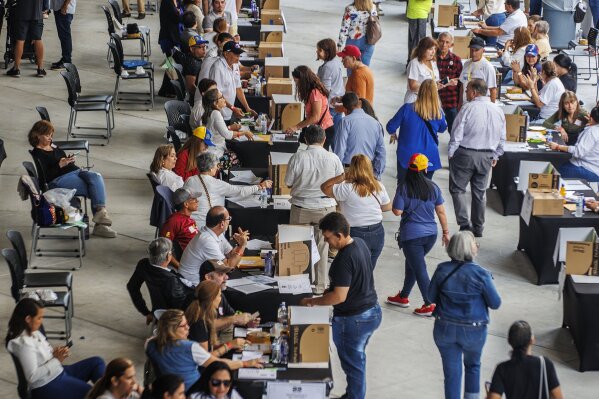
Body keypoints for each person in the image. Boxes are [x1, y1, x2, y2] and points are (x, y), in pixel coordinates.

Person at [300, 212, 381, 399]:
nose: (327, 243)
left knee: (354, 365)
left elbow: (339, 296)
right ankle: (352, 394)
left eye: (328, 238)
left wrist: (312, 301)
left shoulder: (344, 259)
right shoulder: (359, 243)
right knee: (356, 360)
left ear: (339, 235)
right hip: (372, 311)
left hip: (354, 318)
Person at [428, 231, 501, 399]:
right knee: (473, 366)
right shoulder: (482, 274)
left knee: (452, 373)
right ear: (470, 249)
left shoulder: (441, 270)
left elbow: (430, 297)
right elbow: (495, 303)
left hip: (444, 327)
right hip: (473, 330)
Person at [28, 120, 117, 238]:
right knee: (94, 187)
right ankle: (100, 221)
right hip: (58, 180)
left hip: (75, 172)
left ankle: (101, 215)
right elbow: (45, 177)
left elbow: (61, 157)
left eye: (51, 134)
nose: (50, 138)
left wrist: (68, 160)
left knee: (96, 177)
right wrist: (60, 165)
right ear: (37, 135)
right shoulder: (38, 153)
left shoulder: (52, 145)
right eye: (47, 135)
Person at [386, 153, 450, 316]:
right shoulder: (433, 187)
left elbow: (397, 211)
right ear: (425, 169)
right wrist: (446, 232)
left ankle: (430, 303)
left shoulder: (404, 187)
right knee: (413, 265)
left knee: (419, 268)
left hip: (412, 236)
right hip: (431, 235)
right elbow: (441, 211)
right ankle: (403, 297)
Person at [6, 298, 106, 399]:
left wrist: (55, 353)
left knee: (97, 362)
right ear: (28, 319)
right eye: (39, 318)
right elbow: (32, 377)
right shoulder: (23, 344)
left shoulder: (32, 331)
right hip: (46, 385)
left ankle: (111, 394)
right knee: (91, 393)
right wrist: (56, 360)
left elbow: (41, 357)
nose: (41, 321)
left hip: (59, 372)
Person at [285, 125, 344, 294]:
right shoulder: (333, 158)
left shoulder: (298, 157)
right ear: (324, 139)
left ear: (305, 140)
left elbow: (288, 182)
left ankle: (294, 286)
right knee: (323, 247)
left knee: (295, 245)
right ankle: (320, 286)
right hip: (325, 209)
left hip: (301, 207)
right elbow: (339, 182)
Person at [145, 309, 262, 391]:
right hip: (194, 390)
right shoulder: (190, 347)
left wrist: (229, 345)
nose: (188, 327)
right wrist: (247, 363)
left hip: (167, 390)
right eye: (184, 326)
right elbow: (217, 364)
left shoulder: (150, 344)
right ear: (172, 329)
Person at [448, 79, 506, 238]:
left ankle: (464, 224)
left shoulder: (468, 108)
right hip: (486, 156)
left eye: (467, 90)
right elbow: (502, 138)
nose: (465, 93)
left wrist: (452, 153)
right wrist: (495, 155)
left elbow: (457, 133)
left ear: (474, 91)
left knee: (458, 189)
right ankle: (479, 228)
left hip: (465, 154)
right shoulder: (498, 110)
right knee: (479, 193)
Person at [321, 154, 391, 267]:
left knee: (351, 271)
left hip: (355, 233)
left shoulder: (346, 189)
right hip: (377, 232)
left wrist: (342, 177)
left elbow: (324, 187)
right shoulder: (378, 186)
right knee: (367, 273)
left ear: (351, 168)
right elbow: (387, 207)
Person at [183, 152, 271, 227]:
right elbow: (240, 192)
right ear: (210, 168)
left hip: (190, 223)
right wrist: (260, 186)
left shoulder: (189, 180)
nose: (218, 168)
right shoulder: (215, 183)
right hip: (207, 225)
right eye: (217, 165)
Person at [386, 79, 447, 184]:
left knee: (403, 188)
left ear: (420, 91)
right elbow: (442, 128)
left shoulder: (407, 109)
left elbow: (390, 126)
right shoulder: (438, 113)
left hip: (407, 157)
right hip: (429, 157)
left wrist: (393, 134)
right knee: (425, 189)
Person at [487, 321, 564, 399]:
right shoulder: (544, 364)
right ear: (532, 340)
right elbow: (558, 397)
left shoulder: (502, 369)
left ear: (509, 341)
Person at [127, 238, 195, 325]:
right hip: (172, 322)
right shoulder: (171, 280)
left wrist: (146, 312)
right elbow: (181, 307)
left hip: (158, 312)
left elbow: (132, 287)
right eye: (171, 252)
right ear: (168, 256)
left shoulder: (143, 265)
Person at [178, 206, 250, 286]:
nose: (229, 221)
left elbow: (230, 255)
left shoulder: (215, 233)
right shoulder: (207, 241)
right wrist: (242, 246)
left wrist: (239, 244)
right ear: (222, 224)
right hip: (192, 287)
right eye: (228, 219)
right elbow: (228, 267)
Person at [333, 92, 386, 178]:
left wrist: (338, 173)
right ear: (359, 104)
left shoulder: (345, 121)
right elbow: (381, 152)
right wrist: (376, 174)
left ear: (345, 110)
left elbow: (340, 149)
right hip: (368, 170)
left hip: (349, 170)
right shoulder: (376, 123)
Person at [185, 280, 246, 354]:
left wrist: (233, 345)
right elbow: (204, 359)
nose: (221, 299)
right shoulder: (199, 322)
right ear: (212, 299)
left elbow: (210, 348)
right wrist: (230, 345)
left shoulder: (206, 313)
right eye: (219, 296)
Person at [199, 259, 257, 334]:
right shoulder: (197, 298)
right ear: (208, 277)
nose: (226, 277)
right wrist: (234, 319)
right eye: (221, 274)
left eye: (226, 274)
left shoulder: (220, 295)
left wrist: (246, 322)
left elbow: (232, 315)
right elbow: (205, 325)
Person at [285, 66, 334, 150]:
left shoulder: (315, 92)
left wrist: (297, 127)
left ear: (303, 80)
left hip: (324, 129)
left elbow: (315, 116)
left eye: (297, 81)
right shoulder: (312, 91)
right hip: (320, 129)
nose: (296, 84)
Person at [208, 41, 257, 121]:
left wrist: (247, 108)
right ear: (226, 54)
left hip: (228, 112)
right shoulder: (217, 68)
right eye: (235, 54)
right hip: (218, 114)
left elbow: (238, 88)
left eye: (239, 54)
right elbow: (216, 94)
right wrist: (233, 108)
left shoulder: (235, 65)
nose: (238, 57)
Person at [548, 106, 599, 182]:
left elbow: (578, 152)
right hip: (594, 167)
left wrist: (558, 147)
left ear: (591, 118)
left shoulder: (591, 131)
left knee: (551, 171)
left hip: (588, 168)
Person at [160, 187, 201, 260]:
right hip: (188, 262)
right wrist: (179, 266)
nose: (197, 201)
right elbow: (164, 249)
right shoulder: (173, 221)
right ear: (186, 204)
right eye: (194, 199)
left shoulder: (190, 220)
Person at [337, 0, 378, 67]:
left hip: (353, 42)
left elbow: (344, 28)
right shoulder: (373, 7)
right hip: (369, 40)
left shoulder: (349, 8)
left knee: (351, 66)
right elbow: (375, 23)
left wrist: (340, 44)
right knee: (364, 68)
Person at [458, 37, 497, 104]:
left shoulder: (488, 67)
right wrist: (460, 103)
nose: (473, 53)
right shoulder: (466, 63)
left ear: (483, 50)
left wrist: (491, 107)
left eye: (476, 50)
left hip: (480, 105)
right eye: (472, 50)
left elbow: (492, 90)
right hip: (466, 103)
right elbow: (462, 84)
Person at [437, 32, 463, 133]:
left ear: (451, 45)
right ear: (437, 42)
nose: (444, 45)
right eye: (442, 41)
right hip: (434, 99)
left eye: (447, 42)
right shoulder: (432, 58)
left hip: (451, 101)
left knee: (453, 129)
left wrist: (460, 102)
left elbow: (461, 81)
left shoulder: (456, 60)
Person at [317, 38, 345, 128]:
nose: (317, 51)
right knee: (336, 132)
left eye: (320, 50)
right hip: (338, 103)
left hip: (330, 105)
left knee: (327, 132)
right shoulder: (335, 62)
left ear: (327, 52)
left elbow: (325, 89)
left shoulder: (327, 67)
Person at [405, 37, 441, 104]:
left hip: (430, 99)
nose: (433, 52)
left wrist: (441, 84)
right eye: (430, 49)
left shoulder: (433, 62)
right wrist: (431, 87)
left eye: (434, 49)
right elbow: (412, 86)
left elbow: (435, 81)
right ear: (423, 50)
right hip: (416, 99)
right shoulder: (414, 63)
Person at [49, 0, 76, 70]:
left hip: (64, 9)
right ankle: (65, 58)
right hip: (59, 8)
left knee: (65, 36)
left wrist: (65, 5)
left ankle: (67, 60)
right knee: (63, 35)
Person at [182, 35, 209, 100]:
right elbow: (191, 87)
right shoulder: (193, 64)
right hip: (194, 100)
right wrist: (204, 98)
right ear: (192, 49)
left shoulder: (192, 58)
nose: (204, 49)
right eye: (200, 47)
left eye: (205, 46)